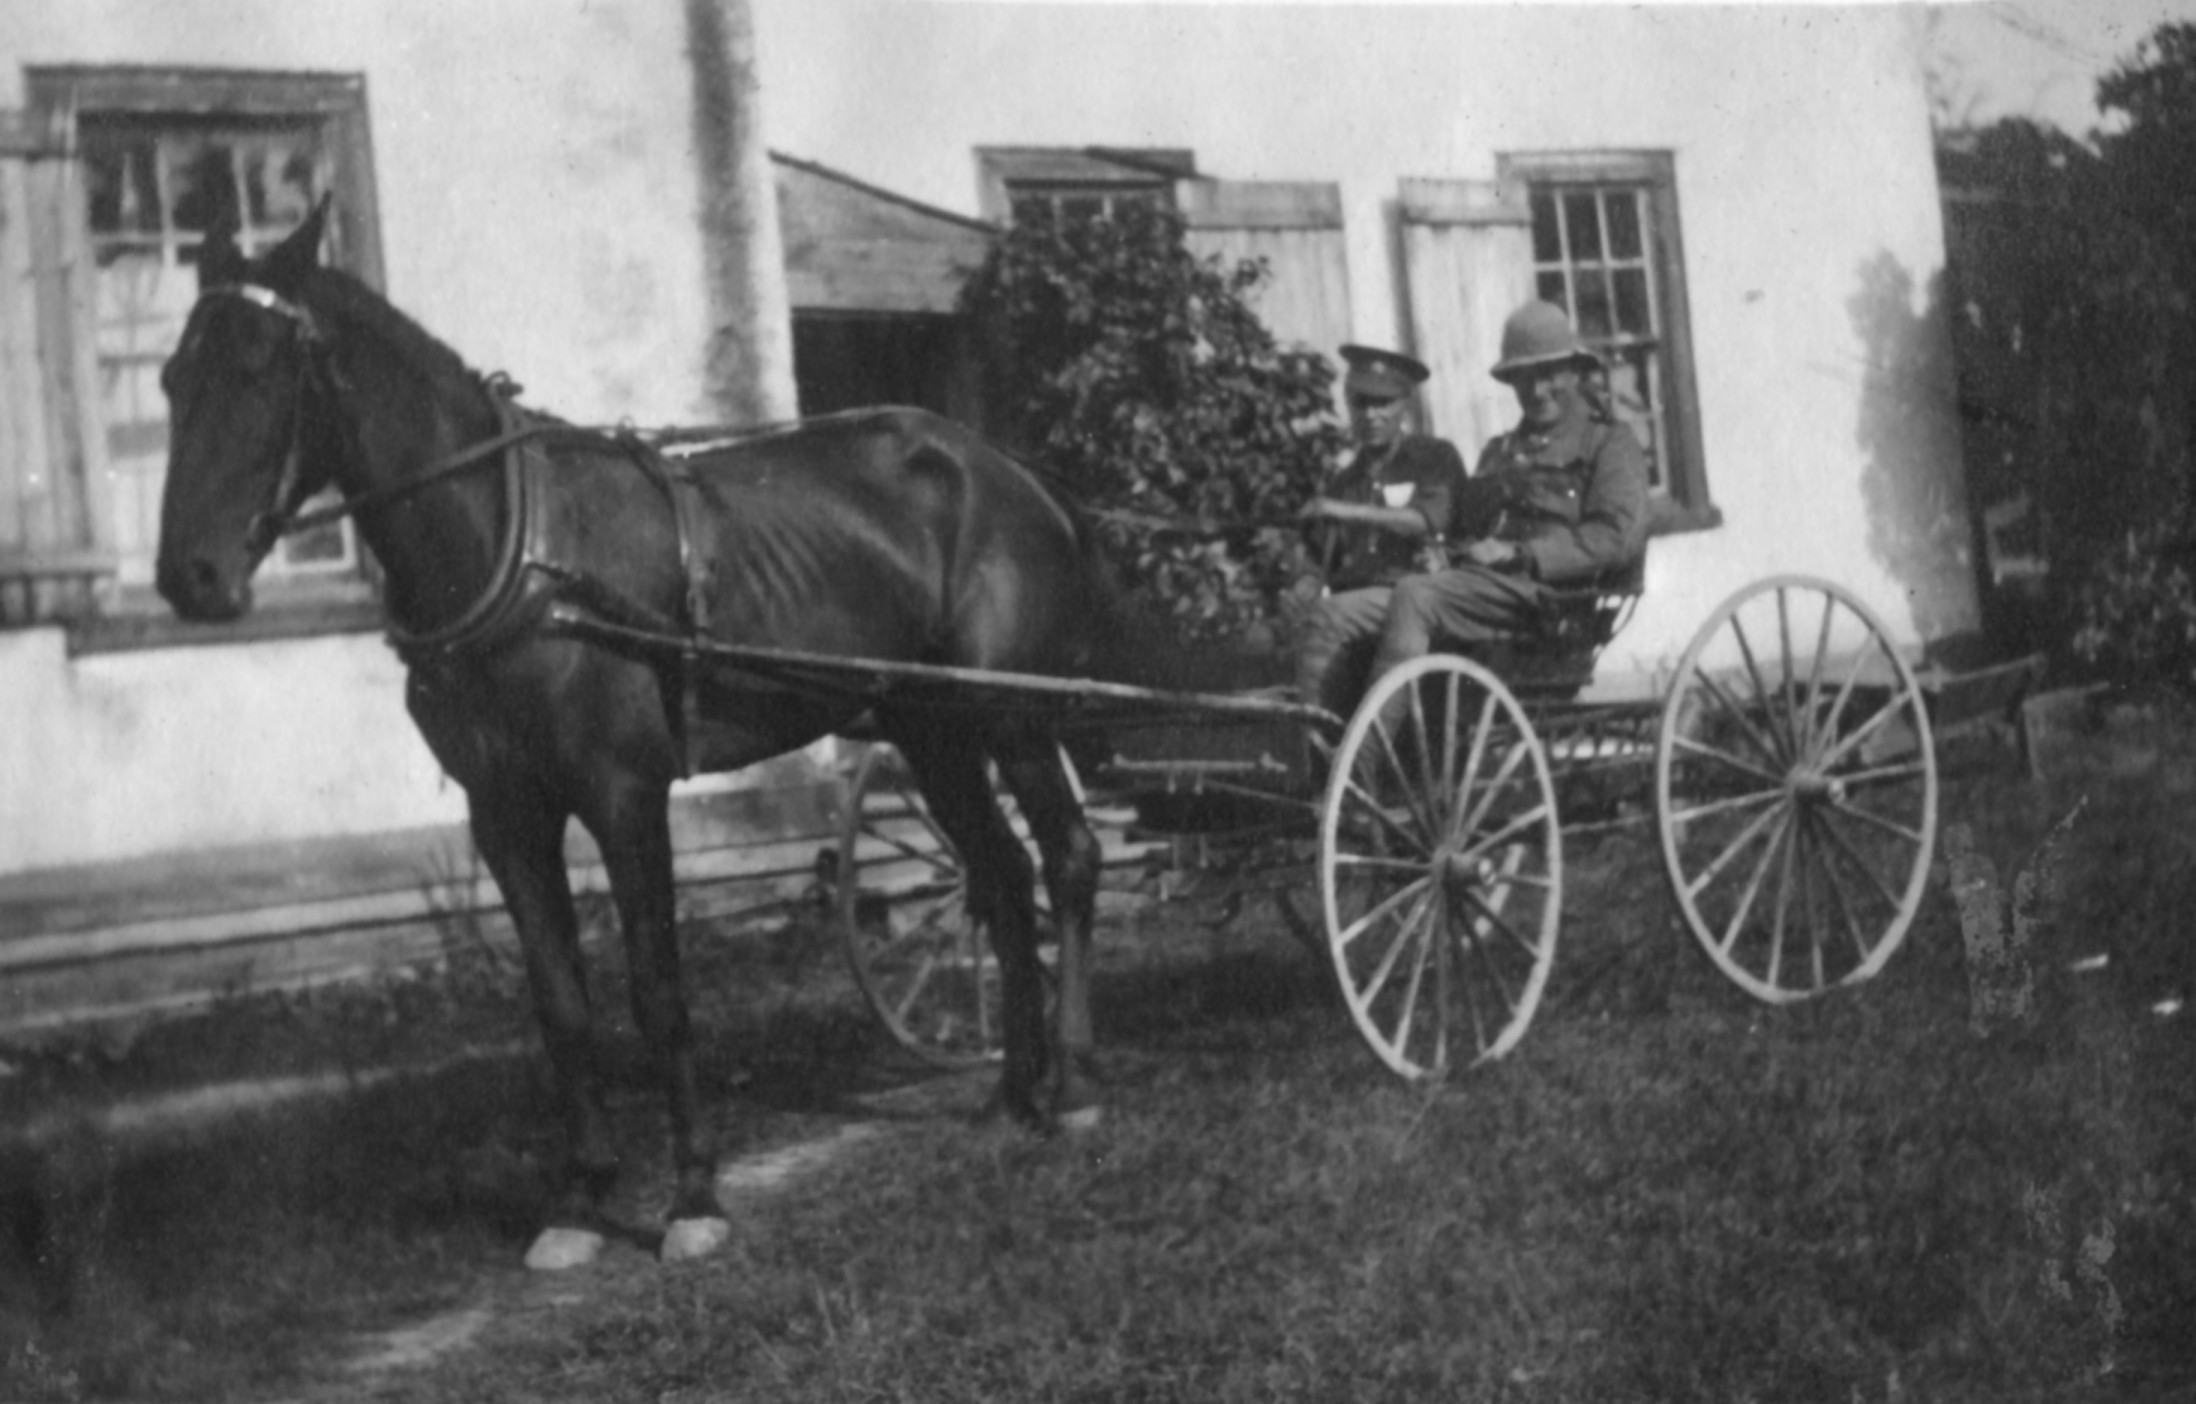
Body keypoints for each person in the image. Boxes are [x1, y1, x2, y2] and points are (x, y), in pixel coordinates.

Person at [1296, 302, 1650, 725]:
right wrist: (1446, 555)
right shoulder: (1500, 452)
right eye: (1523, 377)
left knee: (1414, 597)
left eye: (1549, 373)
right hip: (1474, 594)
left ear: (1573, 371)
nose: (1536, 390)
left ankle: (1364, 762)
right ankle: (1318, 758)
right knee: (1333, 614)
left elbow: (1616, 538)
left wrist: (1522, 554)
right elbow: (1465, 531)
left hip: (1549, 602)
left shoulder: (1609, 443)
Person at [1291, 344, 1469, 721]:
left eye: (1383, 403)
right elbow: (1320, 556)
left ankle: (1319, 750)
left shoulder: (1433, 458)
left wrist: (1344, 511)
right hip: (1359, 608)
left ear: (1405, 403)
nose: (1371, 415)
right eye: (1361, 403)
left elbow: (1427, 520)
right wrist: (1304, 583)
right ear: (1348, 403)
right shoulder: (1346, 480)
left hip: (1415, 600)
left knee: (1329, 617)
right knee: (1278, 631)